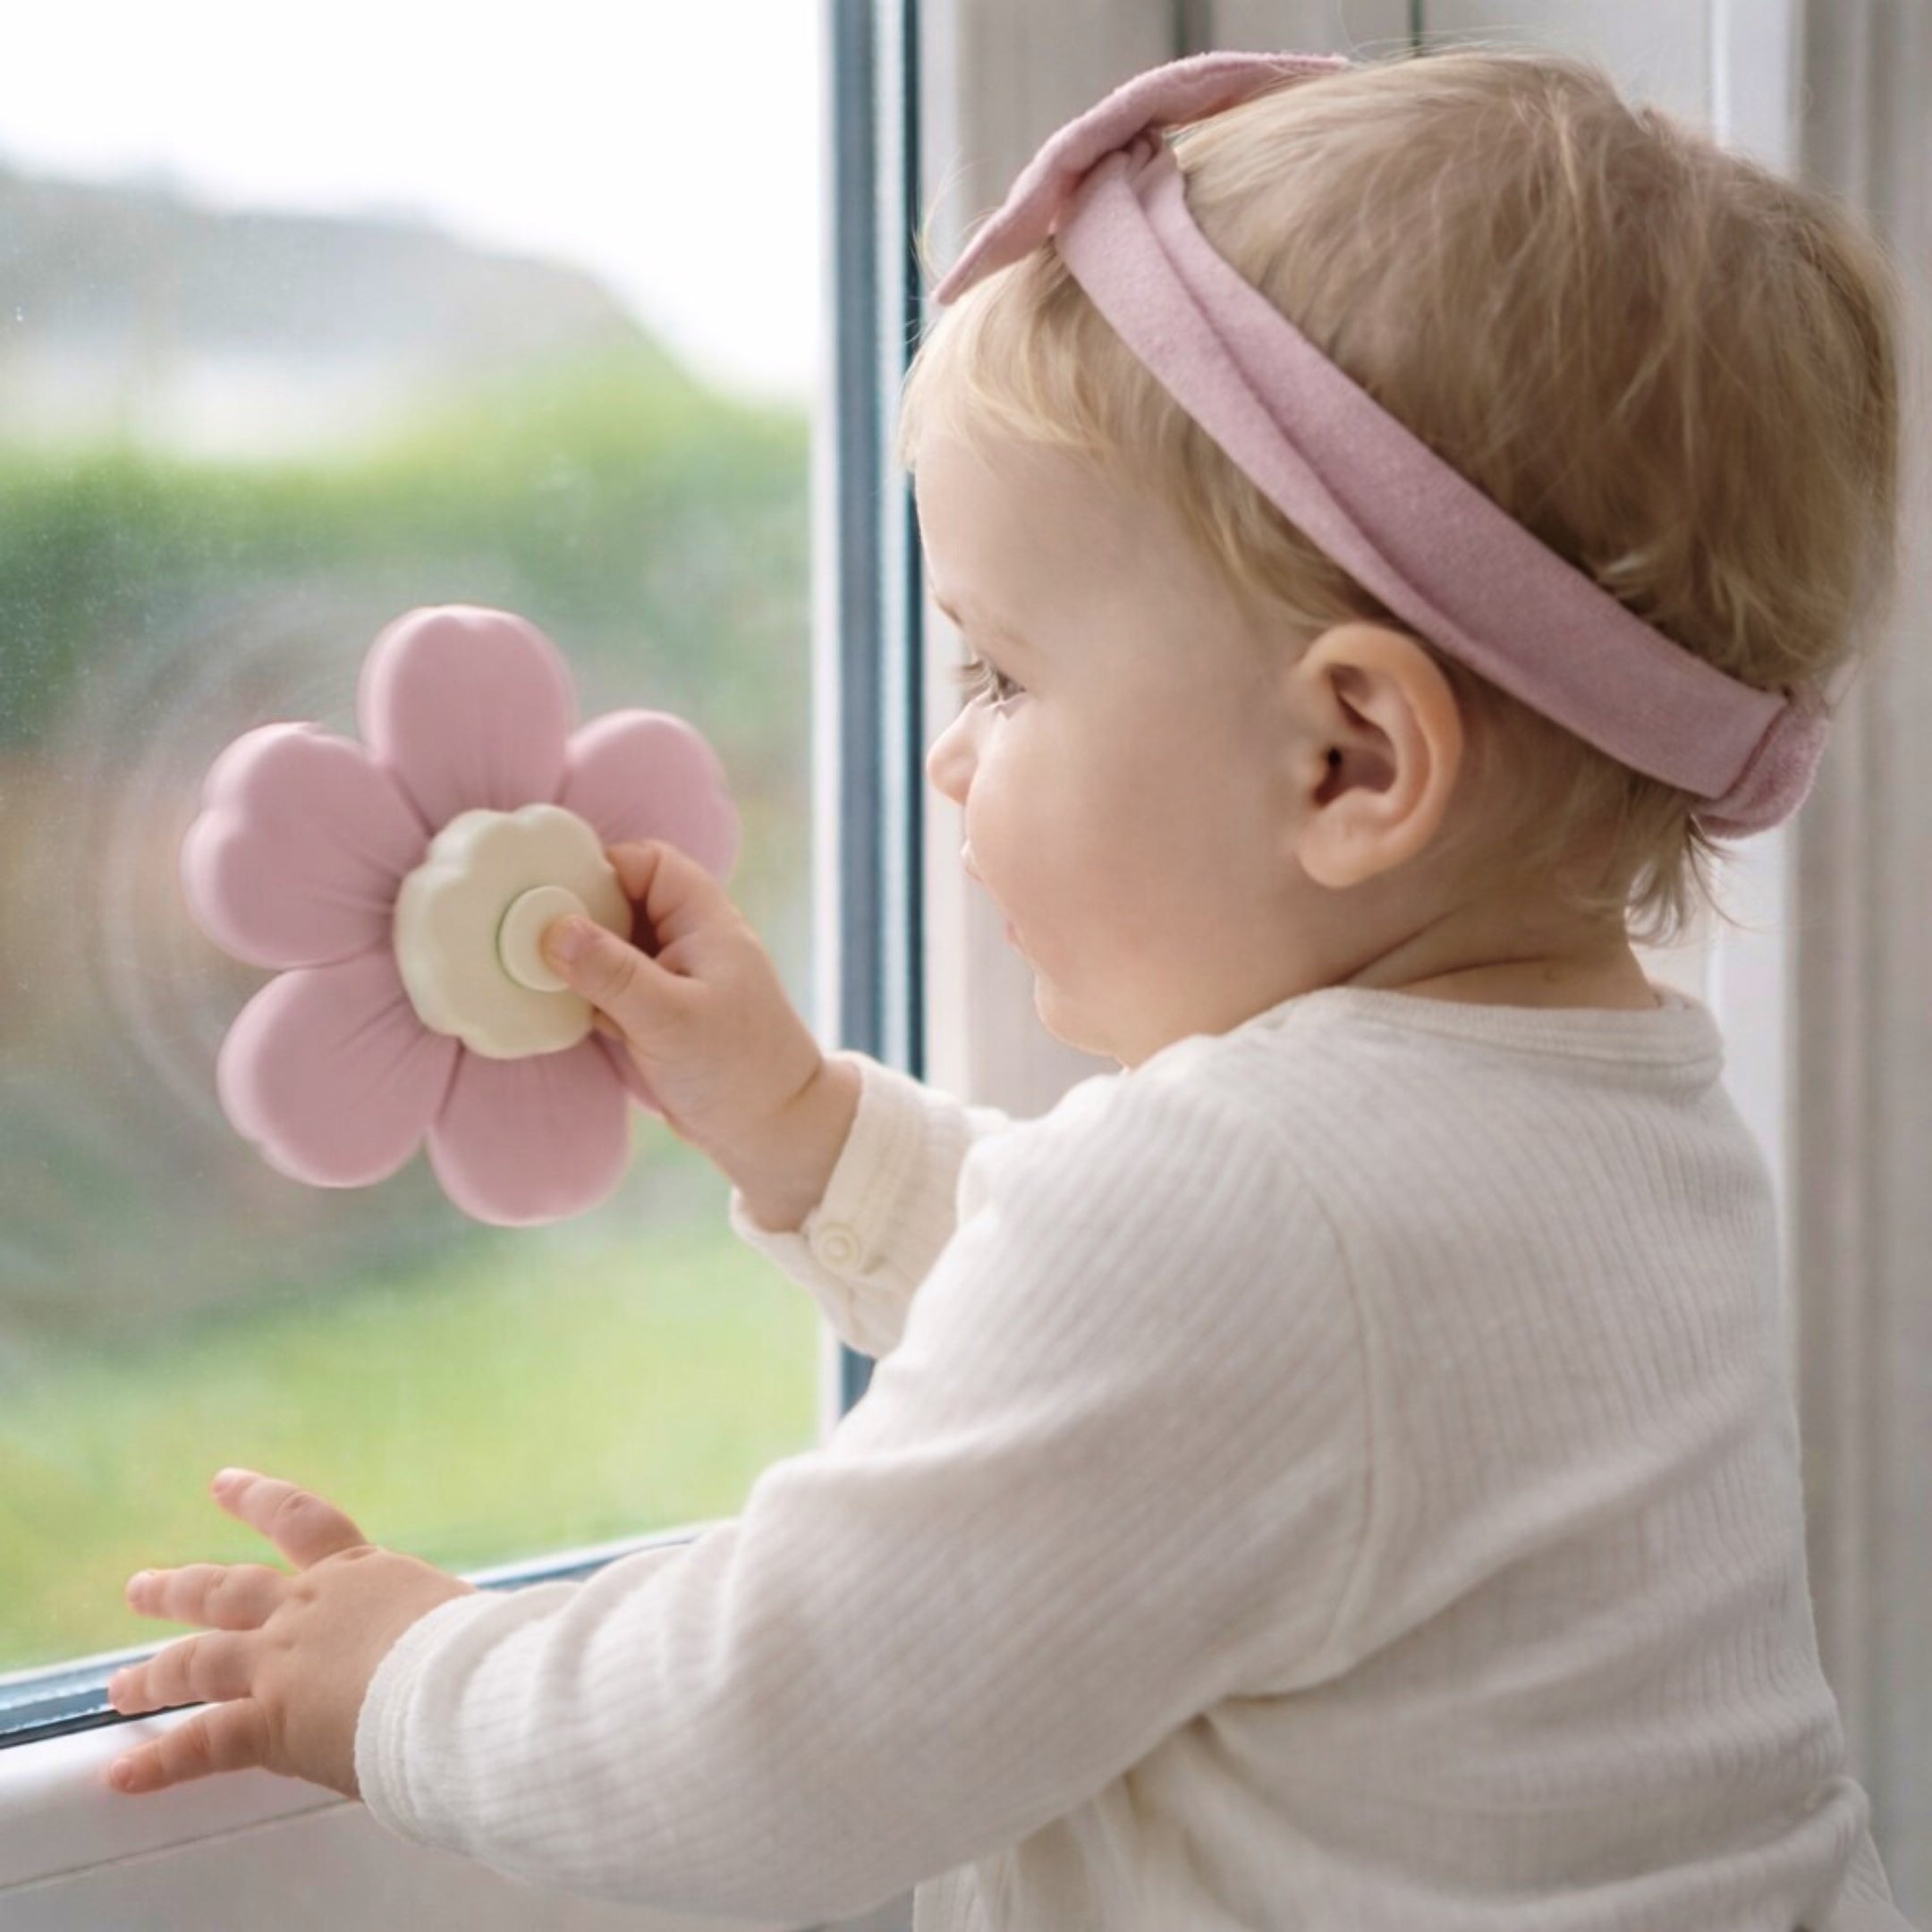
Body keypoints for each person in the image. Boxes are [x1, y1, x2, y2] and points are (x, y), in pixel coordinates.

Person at [103, 43, 1915, 1932]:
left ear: (1351, 763)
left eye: (1001, 677)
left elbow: (749, 1752)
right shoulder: (1626, 1127)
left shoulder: (1260, 1210)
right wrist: (810, 1136)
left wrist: (404, 1680)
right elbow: (1187, 1382)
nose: (953, 759)